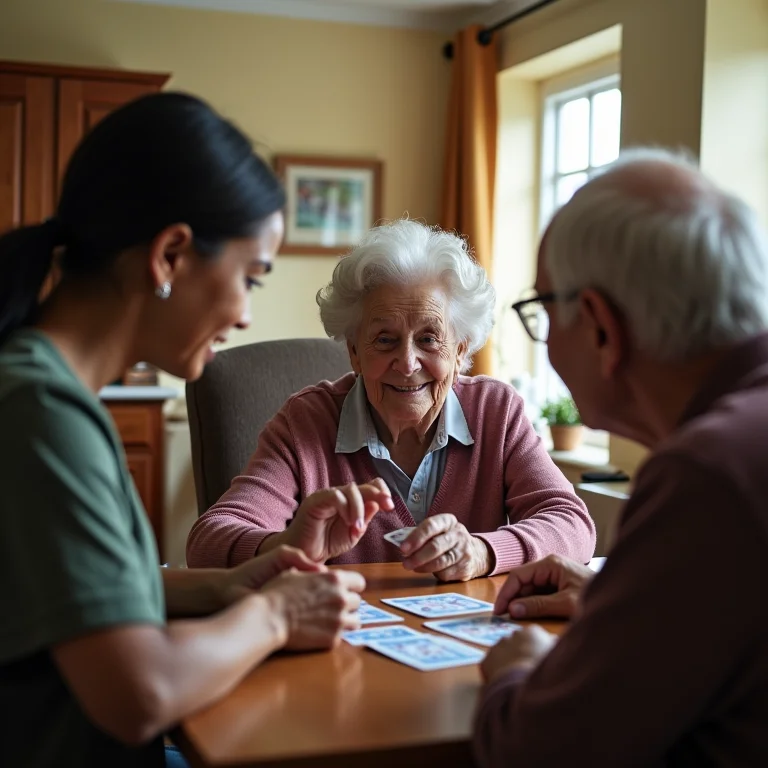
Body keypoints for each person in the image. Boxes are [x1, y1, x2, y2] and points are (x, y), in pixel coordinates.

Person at [0, 93, 396, 768]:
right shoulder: (41, 410)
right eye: (250, 277)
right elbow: (141, 691)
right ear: (171, 255)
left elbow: (94, 595)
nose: (245, 315)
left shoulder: (44, 390)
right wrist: (276, 617)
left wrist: (241, 582)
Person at [474, 148, 768, 766]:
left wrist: (516, 672)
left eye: (542, 311)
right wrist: (623, 601)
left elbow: (538, 753)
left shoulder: (709, 472)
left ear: (601, 328)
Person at [187, 219, 595, 581]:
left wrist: (482, 552)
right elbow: (209, 540)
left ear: (459, 350)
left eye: (429, 339)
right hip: (343, 647)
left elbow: (573, 525)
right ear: (353, 351)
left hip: (464, 643)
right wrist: (286, 548)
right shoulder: (306, 421)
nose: (407, 362)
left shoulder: (496, 413)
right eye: (385, 340)